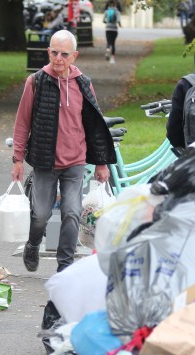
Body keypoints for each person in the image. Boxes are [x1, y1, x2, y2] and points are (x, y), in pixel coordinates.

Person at [12, 30, 117, 273]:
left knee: (72, 212)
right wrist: (18, 159)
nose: (58, 58)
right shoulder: (36, 81)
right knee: (40, 215)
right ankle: (33, 243)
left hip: (75, 162)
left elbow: (95, 126)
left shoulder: (83, 83)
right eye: (54, 52)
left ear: (74, 56)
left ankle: (65, 267)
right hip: (45, 161)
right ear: (48, 52)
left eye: (64, 54)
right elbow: (22, 122)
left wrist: (101, 163)